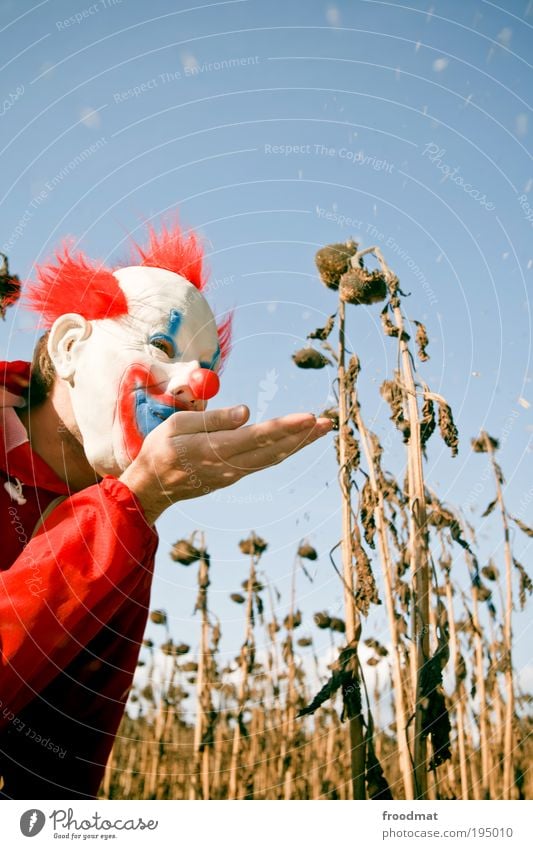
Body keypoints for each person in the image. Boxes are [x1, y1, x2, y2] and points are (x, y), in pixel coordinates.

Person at [0, 222, 332, 799]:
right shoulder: (121, 505)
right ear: (70, 345)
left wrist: (133, 510)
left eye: (210, 365)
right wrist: (133, 503)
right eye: (161, 347)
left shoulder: (114, 506)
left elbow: (61, 772)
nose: (198, 383)